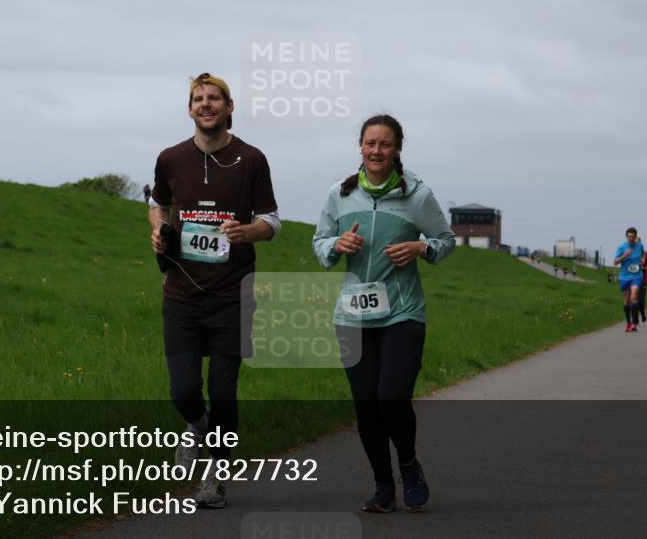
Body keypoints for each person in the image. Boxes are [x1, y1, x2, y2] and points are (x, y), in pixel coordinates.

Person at [148, 73, 280, 509]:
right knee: (184, 391)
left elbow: (272, 221)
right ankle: (197, 425)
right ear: (190, 109)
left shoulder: (252, 159)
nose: (206, 104)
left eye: (214, 98)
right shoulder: (170, 158)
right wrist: (158, 231)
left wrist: (247, 231)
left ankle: (216, 479)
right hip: (181, 294)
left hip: (232, 295)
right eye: (198, 99)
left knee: (223, 392)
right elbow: (158, 204)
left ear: (229, 107)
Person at [312, 114, 455, 513]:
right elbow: (320, 244)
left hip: (402, 313)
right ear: (360, 147)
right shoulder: (339, 195)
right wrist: (336, 245)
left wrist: (420, 248)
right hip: (353, 317)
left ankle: (408, 463)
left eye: (385, 144)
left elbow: (445, 241)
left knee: (391, 399)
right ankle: (382, 485)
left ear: (397, 150)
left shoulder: (417, 196)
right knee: (366, 407)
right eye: (370, 143)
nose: (376, 151)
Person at [613, 227, 644, 332]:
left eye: (632, 236)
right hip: (624, 276)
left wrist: (641, 262)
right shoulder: (622, 247)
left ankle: (634, 323)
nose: (631, 238)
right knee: (626, 300)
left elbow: (642, 255)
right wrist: (624, 256)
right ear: (626, 237)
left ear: (635, 237)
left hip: (636, 276)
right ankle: (628, 323)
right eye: (629, 236)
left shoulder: (640, 246)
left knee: (634, 296)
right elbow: (615, 262)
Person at [638, 243, 647, 322]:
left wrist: (644, 268)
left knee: (640, 301)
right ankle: (635, 318)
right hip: (631, 279)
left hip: (642, 280)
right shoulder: (629, 253)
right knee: (633, 299)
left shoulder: (645, 254)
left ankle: (642, 313)